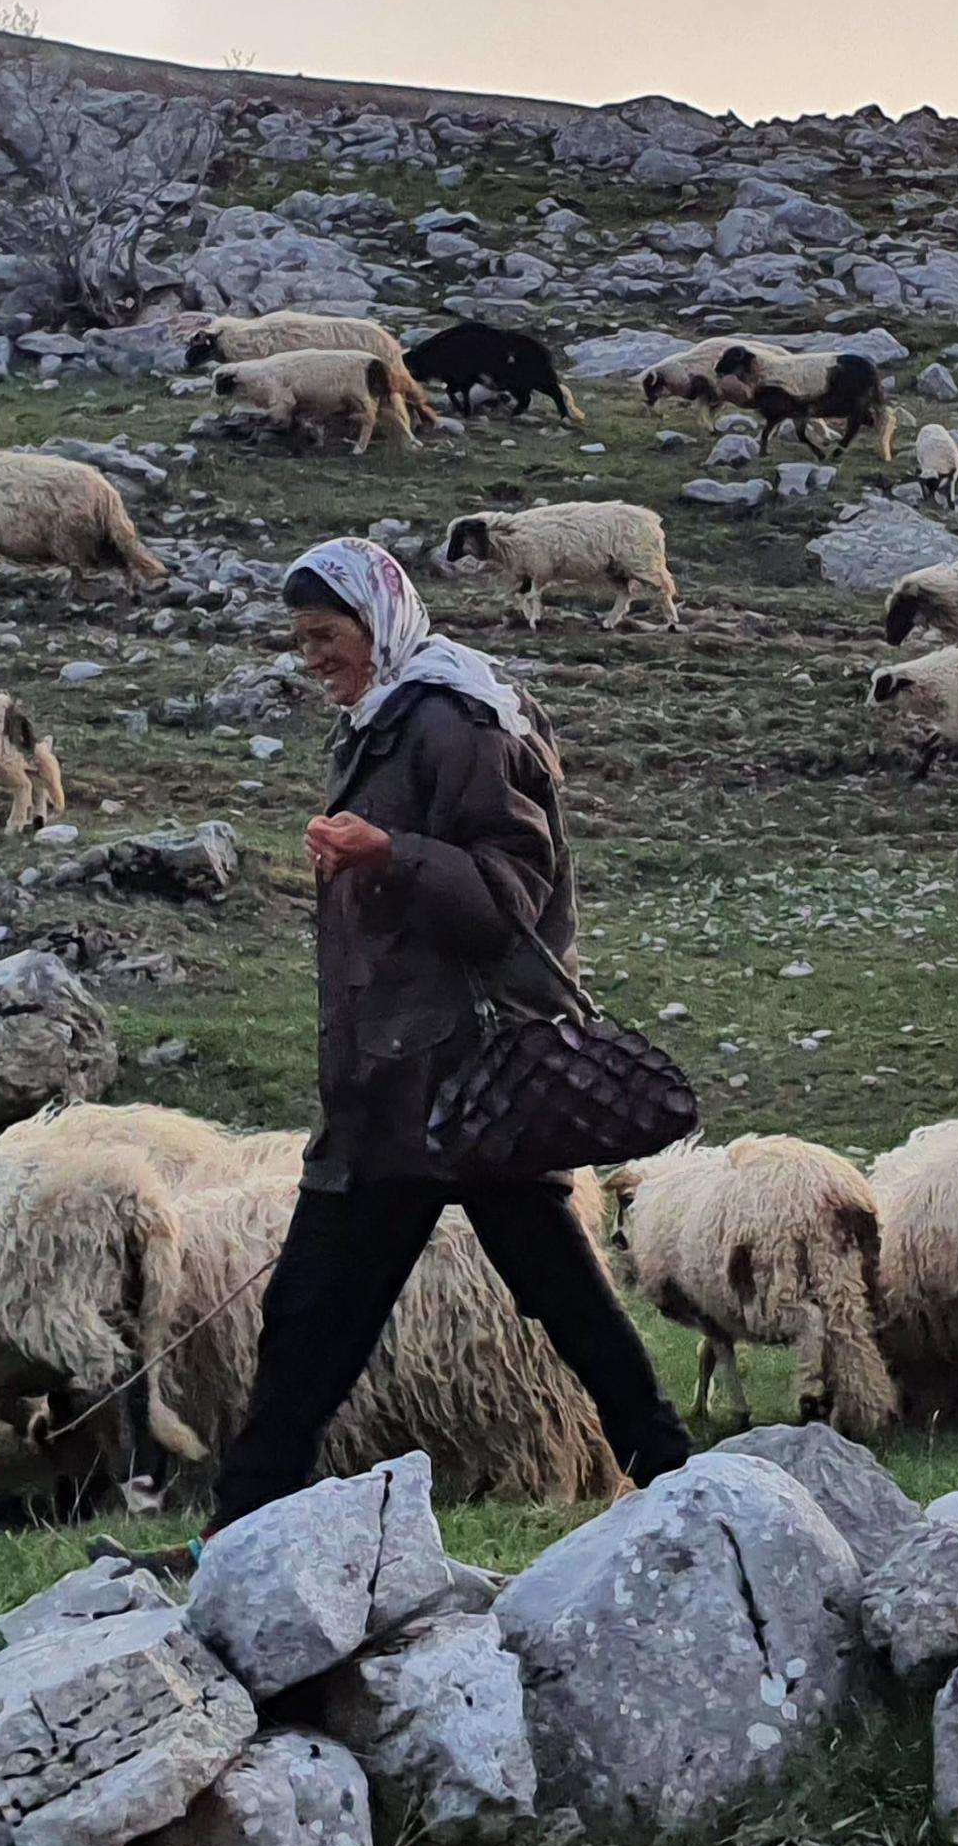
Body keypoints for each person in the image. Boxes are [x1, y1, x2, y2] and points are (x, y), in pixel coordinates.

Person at [200, 538, 691, 1534]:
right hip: (399, 1075)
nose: (312, 659)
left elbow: (512, 893)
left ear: (377, 621)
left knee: (330, 1310)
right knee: (340, 1314)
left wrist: (391, 853)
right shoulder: (381, 721)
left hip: (458, 1078)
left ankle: (242, 1528)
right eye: (299, 642)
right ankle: (242, 1530)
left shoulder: (457, 721)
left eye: (325, 636)